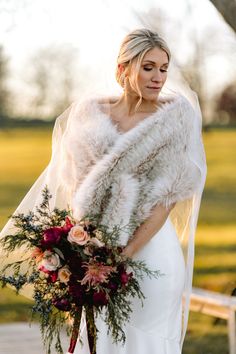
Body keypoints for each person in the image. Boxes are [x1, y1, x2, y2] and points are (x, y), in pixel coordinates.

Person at [0, 29, 206, 354]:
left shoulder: (175, 121)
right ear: (123, 69)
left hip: (151, 252)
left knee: (143, 342)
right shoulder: (90, 115)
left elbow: (164, 203)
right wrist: (79, 254)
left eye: (164, 68)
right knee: (97, 341)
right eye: (148, 67)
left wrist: (119, 260)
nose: (158, 77)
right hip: (93, 249)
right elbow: (72, 189)